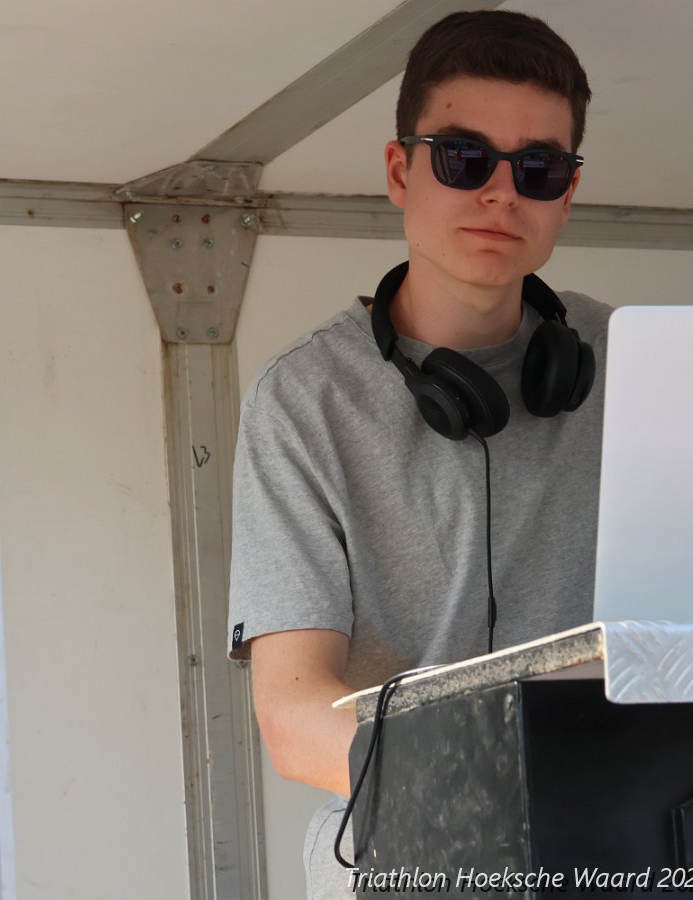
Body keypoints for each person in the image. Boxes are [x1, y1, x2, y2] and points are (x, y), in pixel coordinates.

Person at [225, 9, 610, 896]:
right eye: (464, 158)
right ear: (401, 171)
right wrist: (503, 788)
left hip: (620, 822)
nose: (502, 194)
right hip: (409, 835)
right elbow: (292, 716)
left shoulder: (636, 365)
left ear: (567, 193)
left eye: (539, 168)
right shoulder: (304, 400)